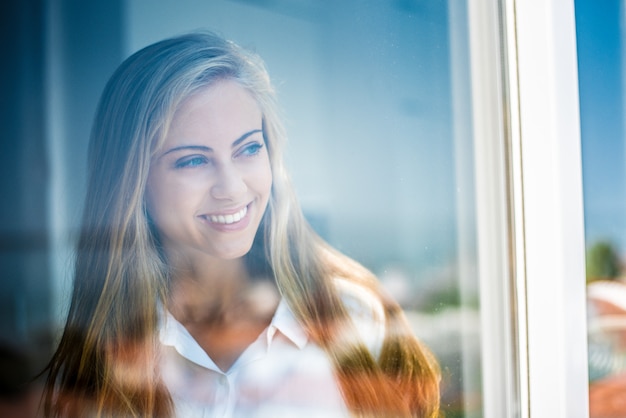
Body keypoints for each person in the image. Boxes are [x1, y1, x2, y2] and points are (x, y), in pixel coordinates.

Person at [42, 31, 440, 417]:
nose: (231, 188)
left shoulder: (354, 312)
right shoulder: (97, 364)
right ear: (133, 181)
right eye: (193, 160)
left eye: (249, 148)